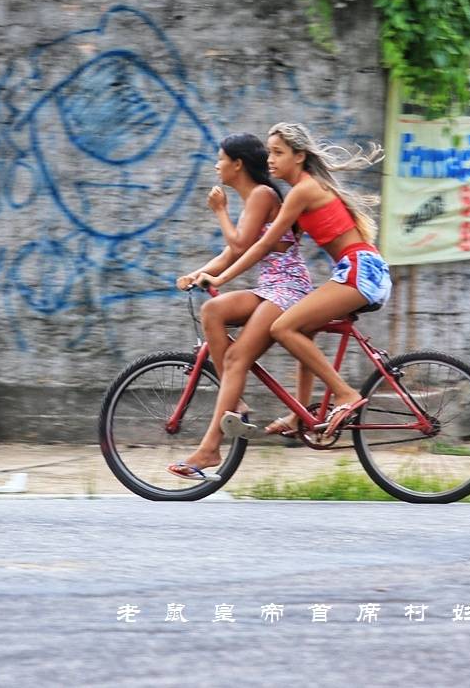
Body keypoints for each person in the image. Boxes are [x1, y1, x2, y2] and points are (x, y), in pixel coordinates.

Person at [194, 121, 390, 443]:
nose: (270, 159)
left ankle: (345, 394)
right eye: (269, 152)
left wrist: (222, 277)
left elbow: (261, 244)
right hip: (356, 270)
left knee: (282, 328)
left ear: (298, 156)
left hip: (360, 271)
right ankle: (301, 416)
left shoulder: (303, 190)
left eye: (278, 152)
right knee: (303, 329)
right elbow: (257, 243)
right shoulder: (297, 195)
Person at [166, 133, 315, 481]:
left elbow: (241, 242)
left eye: (221, 159)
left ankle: (210, 448)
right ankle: (234, 402)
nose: (217, 165)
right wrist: (199, 273)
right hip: (270, 288)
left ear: (237, 164)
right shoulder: (255, 198)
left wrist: (220, 212)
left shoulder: (262, 195)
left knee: (236, 359)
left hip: (288, 288)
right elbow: (234, 253)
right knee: (213, 312)